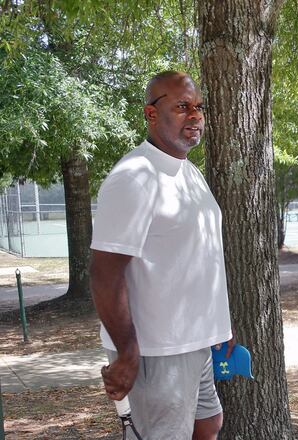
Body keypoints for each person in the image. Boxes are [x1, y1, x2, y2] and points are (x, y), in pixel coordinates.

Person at [90, 71, 233, 440]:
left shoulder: (190, 174)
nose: (195, 115)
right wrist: (127, 351)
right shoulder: (135, 177)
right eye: (182, 106)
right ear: (151, 114)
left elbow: (200, 257)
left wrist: (219, 327)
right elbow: (105, 273)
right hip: (156, 350)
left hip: (195, 342)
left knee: (208, 424)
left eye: (199, 107)